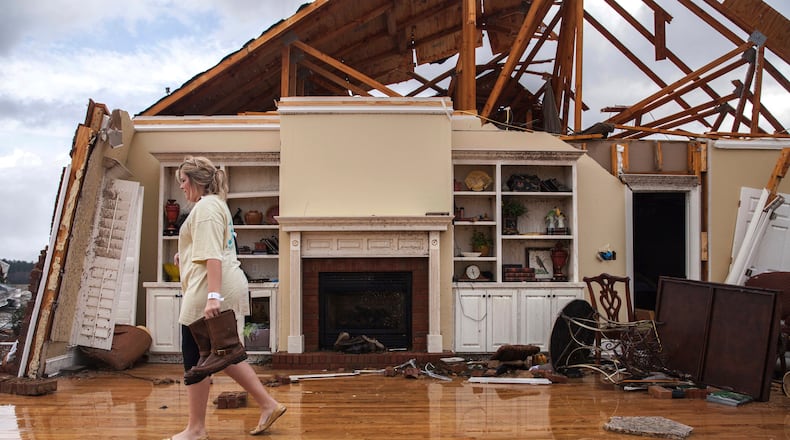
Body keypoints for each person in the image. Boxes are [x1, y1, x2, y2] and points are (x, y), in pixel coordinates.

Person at [164, 156, 286, 440]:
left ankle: (196, 429)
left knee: (197, 356)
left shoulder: (205, 208)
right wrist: (185, 255)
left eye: (183, 181)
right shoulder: (215, 205)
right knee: (222, 353)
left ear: (195, 180)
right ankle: (268, 404)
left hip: (210, 289)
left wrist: (213, 297)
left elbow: (213, 256)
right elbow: (212, 247)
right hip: (214, 284)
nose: (181, 187)